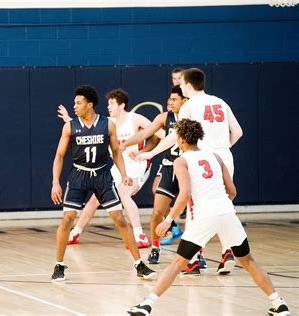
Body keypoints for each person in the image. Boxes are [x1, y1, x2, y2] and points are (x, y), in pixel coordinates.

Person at [127, 119, 289, 316]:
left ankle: (147, 305)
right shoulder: (216, 157)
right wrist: (220, 204)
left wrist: (168, 220)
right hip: (227, 213)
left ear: (180, 139)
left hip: (205, 215)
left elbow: (184, 194)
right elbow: (232, 191)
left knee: (178, 263)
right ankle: (279, 304)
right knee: (248, 261)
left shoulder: (181, 160)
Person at [136, 68, 243, 274]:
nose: (180, 86)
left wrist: (151, 154)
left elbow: (174, 136)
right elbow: (237, 132)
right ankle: (227, 250)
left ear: (188, 85)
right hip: (224, 158)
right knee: (222, 204)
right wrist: (222, 149)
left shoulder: (189, 105)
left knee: (196, 208)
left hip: (203, 160)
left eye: (182, 83)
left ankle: (193, 259)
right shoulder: (221, 102)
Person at [50, 85, 156, 281]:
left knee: (119, 219)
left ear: (90, 105)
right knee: (68, 218)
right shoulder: (70, 127)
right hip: (79, 176)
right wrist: (55, 182)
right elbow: (59, 155)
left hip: (102, 176)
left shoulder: (107, 125)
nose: (75, 106)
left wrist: (123, 173)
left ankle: (139, 264)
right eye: (74, 103)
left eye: (78, 103)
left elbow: (116, 152)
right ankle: (59, 264)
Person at [121, 85, 188, 266]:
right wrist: (125, 145)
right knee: (157, 211)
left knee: (194, 215)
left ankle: (195, 255)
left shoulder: (193, 116)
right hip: (168, 167)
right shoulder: (164, 117)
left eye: (174, 99)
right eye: (169, 99)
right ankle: (155, 248)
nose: (169, 102)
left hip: (189, 168)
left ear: (185, 100)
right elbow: (144, 133)